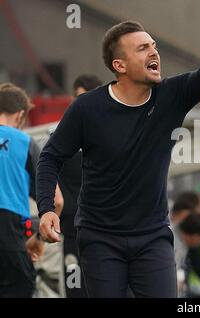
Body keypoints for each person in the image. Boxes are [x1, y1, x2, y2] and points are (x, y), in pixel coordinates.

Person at [36, 20, 200, 298]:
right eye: (142, 48)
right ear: (120, 65)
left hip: (152, 236)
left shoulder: (172, 96)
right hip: (100, 237)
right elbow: (51, 156)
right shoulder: (87, 108)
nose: (153, 52)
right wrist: (46, 208)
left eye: (154, 46)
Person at [0, 83, 63, 297]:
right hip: (9, 238)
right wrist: (38, 238)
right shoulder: (25, 142)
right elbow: (57, 201)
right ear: (19, 116)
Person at [58, 74, 102, 298]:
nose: (78, 103)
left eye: (83, 97)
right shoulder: (62, 138)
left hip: (105, 232)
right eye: (76, 97)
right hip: (73, 234)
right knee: (75, 288)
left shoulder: (111, 137)